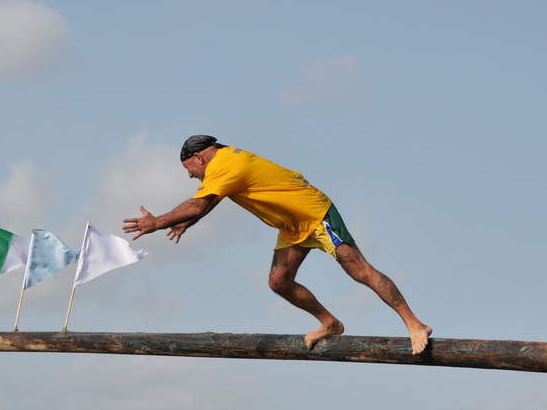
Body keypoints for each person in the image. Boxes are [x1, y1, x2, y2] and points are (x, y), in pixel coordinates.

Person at [122, 135, 432, 355]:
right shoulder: (225, 162)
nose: (191, 176)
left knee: (358, 270)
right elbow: (215, 197)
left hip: (314, 213)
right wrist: (191, 221)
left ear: (200, 157)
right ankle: (330, 323)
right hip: (291, 225)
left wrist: (156, 222)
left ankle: (415, 324)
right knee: (279, 281)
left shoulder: (226, 165)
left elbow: (199, 204)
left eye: (190, 169)